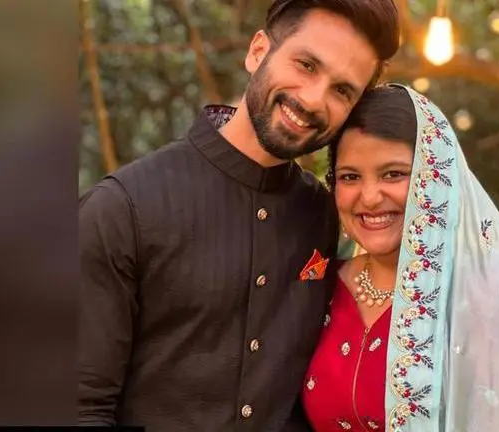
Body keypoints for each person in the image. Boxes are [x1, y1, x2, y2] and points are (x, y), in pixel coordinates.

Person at [78, 1, 400, 430]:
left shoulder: (322, 212)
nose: (312, 99)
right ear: (257, 51)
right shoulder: (123, 208)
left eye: (342, 90)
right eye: (305, 65)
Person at [301, 84, 499, 431]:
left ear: (435, 178)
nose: (370, 197)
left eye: (392, 174)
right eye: (350, 177)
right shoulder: (318, 287)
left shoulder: (481, 300)